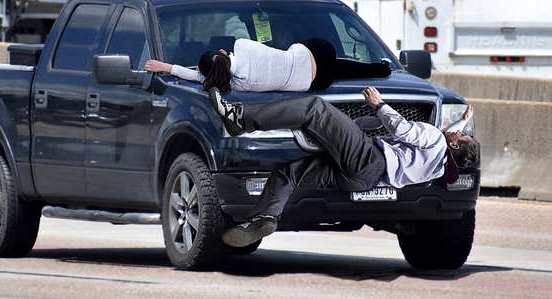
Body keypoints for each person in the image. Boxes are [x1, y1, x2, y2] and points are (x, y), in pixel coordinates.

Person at [207, 86, 479, 247]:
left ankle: (239, 119)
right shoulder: (440, 167)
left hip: (369, 161)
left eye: (461, 135)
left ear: (455, 145)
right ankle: (264, 218)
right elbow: (448, 140)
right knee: (289, 172)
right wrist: (463, 122)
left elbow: (404, 131)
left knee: (316, 108)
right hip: (363, 181)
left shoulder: (436, 139)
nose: (457, 132)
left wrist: (379, 104)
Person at [144, 38, 391, 92]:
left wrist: (167, 68)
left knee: (335, 69)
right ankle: (380, 69)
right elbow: (268, 45)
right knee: (331, 60)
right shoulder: (241, 45)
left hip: (313, 84)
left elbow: (205, 78)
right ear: (222, 52)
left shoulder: (237, 86)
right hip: (318, 53)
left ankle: (377, 68)